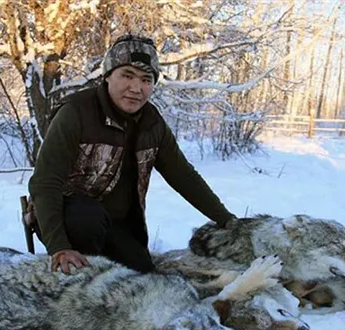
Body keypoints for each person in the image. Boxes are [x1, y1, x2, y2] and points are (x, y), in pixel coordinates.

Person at [28, 34, 236, 275]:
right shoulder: (75, 112)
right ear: (107, 76)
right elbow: (45, 183)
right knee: (87, 219)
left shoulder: (152, 124)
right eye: (127, 75)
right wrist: (59, 246)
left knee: (143, 275)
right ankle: (78, 278)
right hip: (65, 219)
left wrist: (226, 220)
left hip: (115, 225)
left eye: (146, 80)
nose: (136, 88)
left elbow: (183, 176)